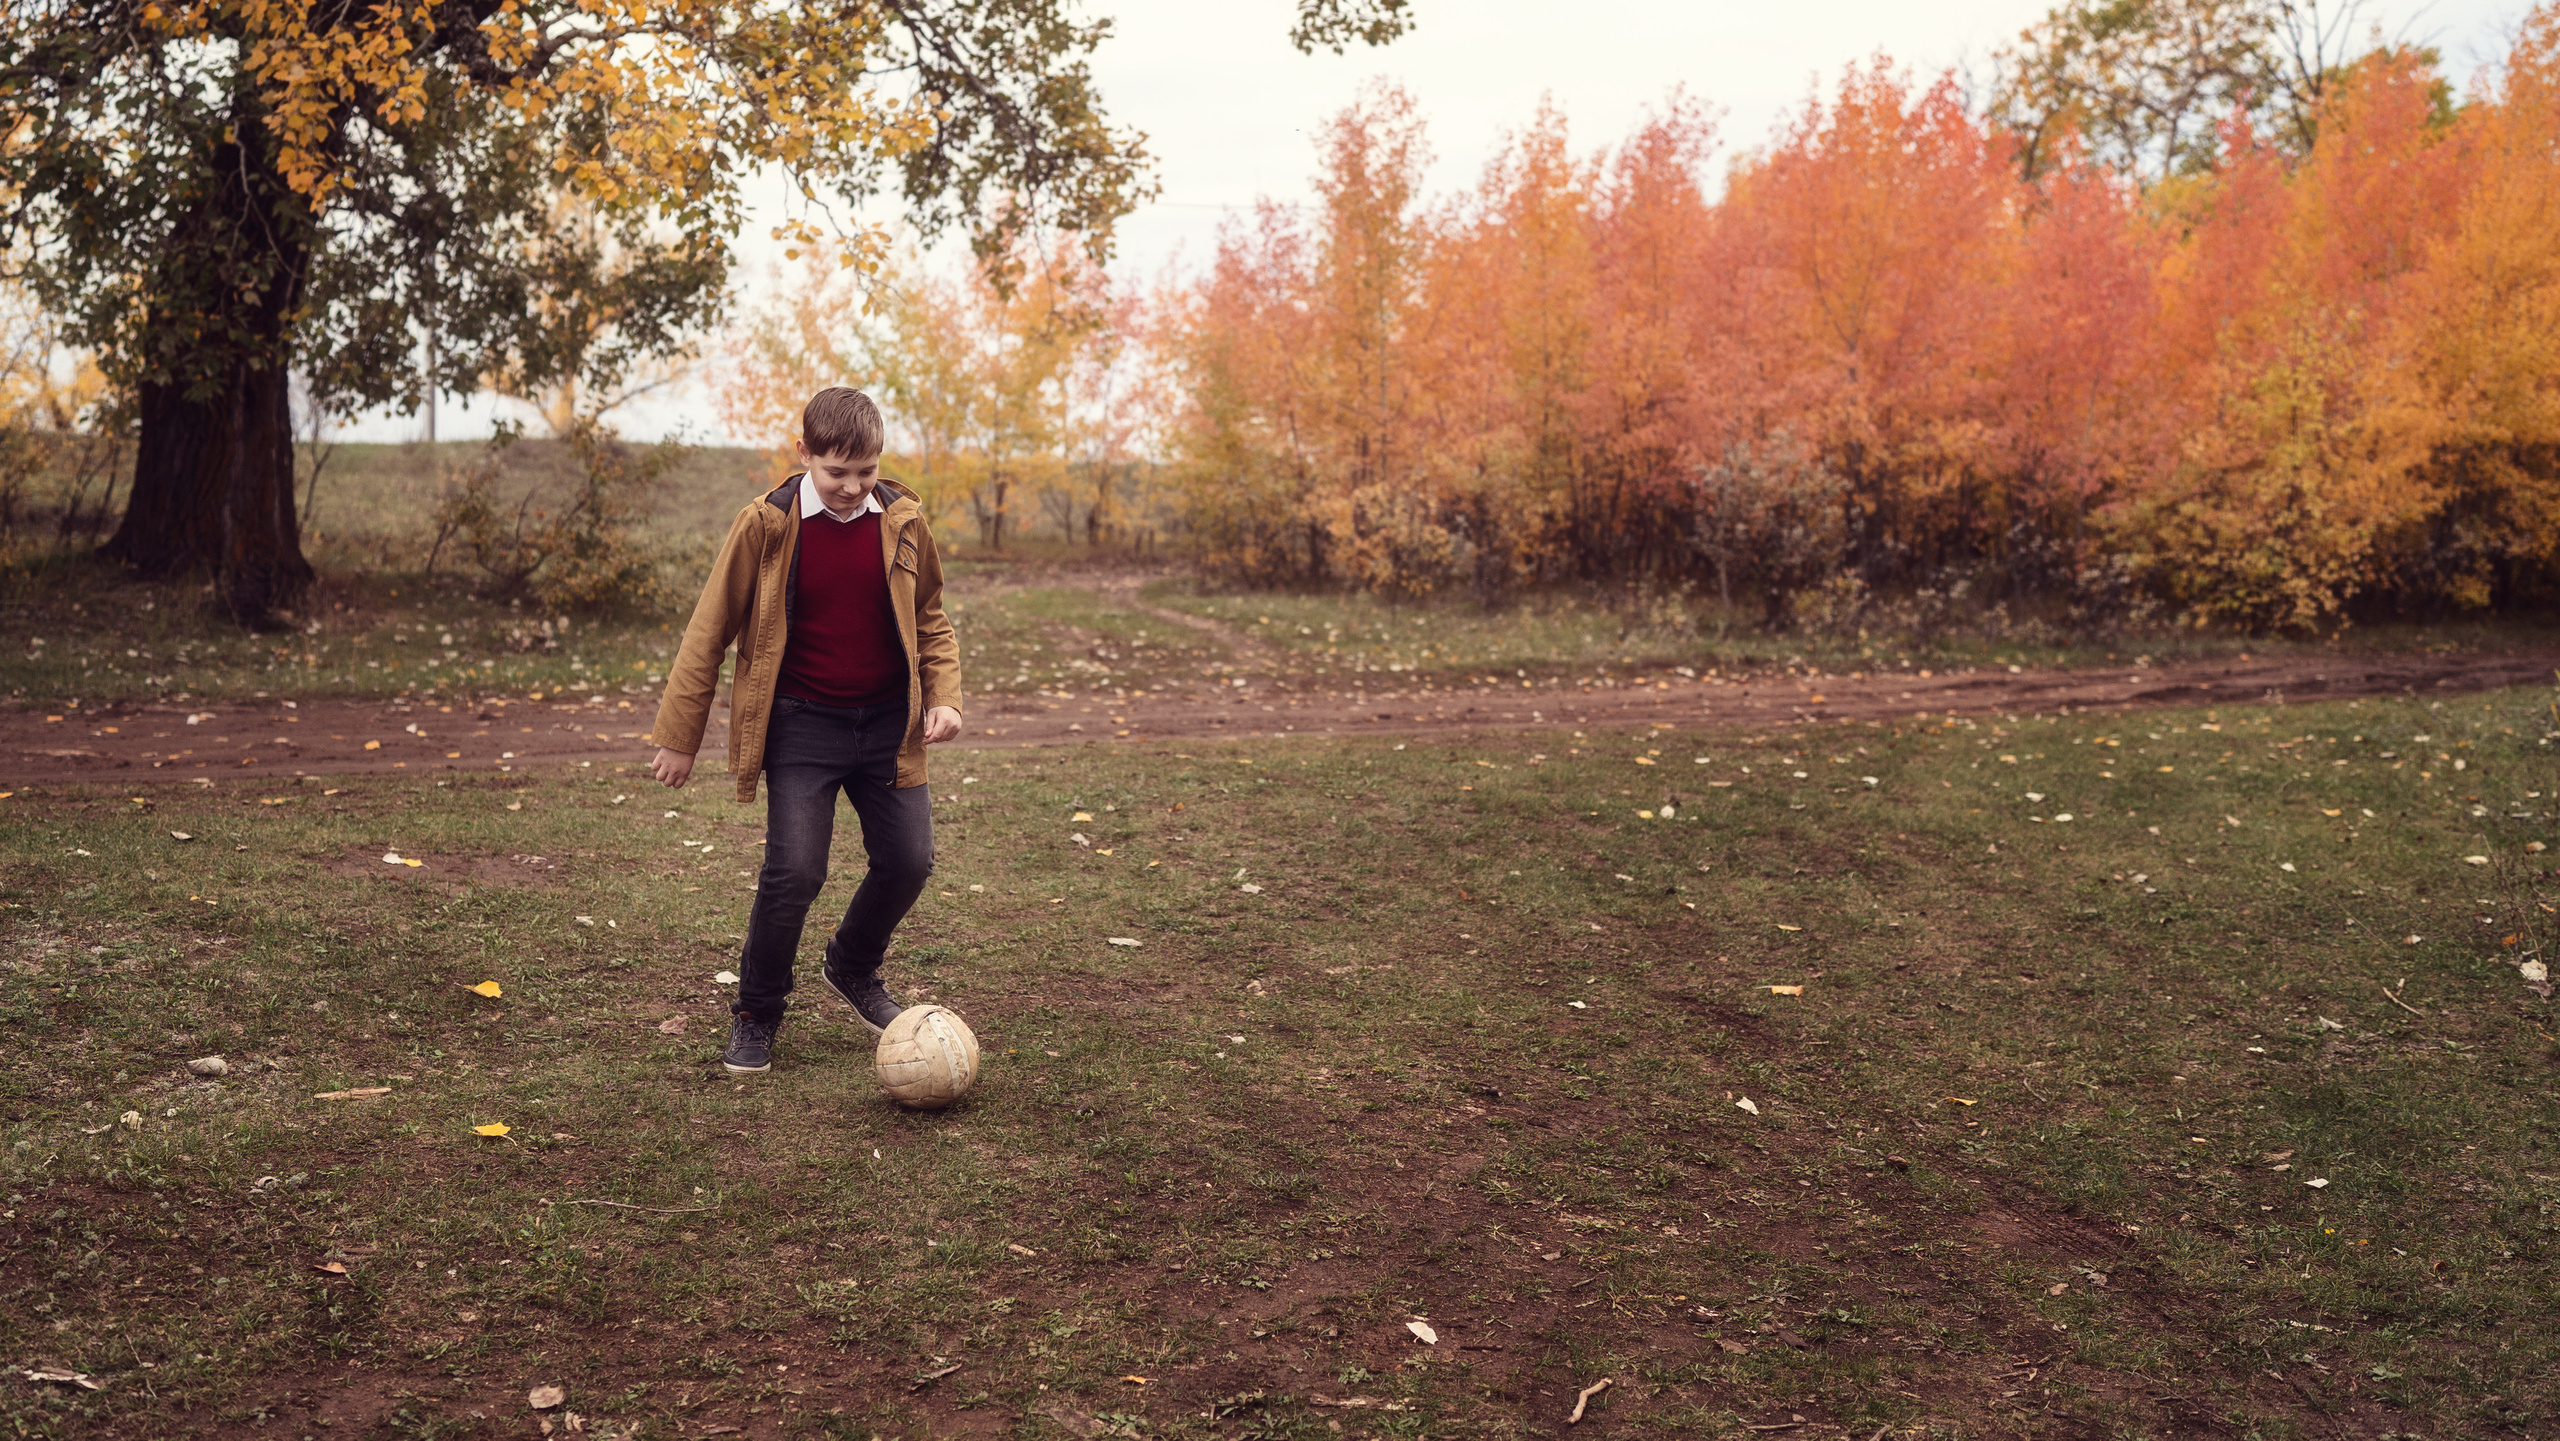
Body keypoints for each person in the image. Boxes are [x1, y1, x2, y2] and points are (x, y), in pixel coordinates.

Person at [646, 387, 963, 1074]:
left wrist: (944, 696)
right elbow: (710, 629)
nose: (852, 488)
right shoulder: (766, 526)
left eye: (866, 471)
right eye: (836, 472)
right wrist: (680, 733)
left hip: (887, 725)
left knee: (910, 860)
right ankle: (757, 1012)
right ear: (804, 455)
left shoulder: (903, 521)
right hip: (802, 724)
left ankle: (851, 965)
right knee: (794, 869)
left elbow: (931, 615)